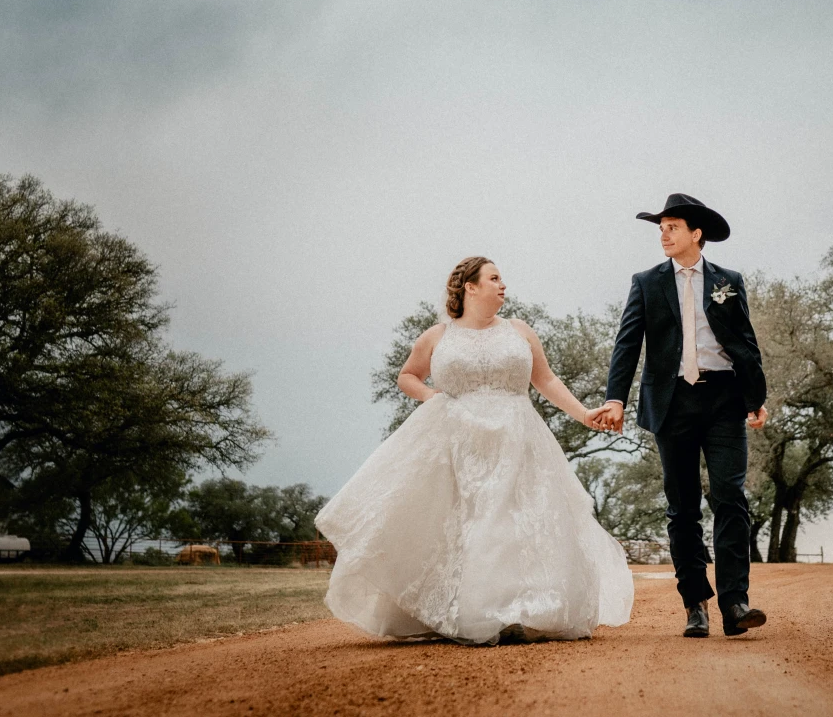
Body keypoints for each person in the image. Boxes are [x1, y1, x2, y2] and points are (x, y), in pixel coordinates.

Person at [315, 257, 634, 645]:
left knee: (511, 520)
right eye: (495, 278)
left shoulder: (520, 331)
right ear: (470, 286)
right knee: (462, 521)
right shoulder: (436, 336)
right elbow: (407, 375)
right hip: (457, 438)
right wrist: (433, 398)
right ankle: (458, 611)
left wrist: (585, 415)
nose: (504, 285)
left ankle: (513, 609)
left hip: (517, 435)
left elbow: (545, 379)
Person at [597, 194, 769, 638]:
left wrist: (755, 397)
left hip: (725, 400)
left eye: (672, 226)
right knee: (683, 508)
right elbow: (627, 344)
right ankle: (695, 604)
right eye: (661, 227)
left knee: (730, 497)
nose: (663, 234)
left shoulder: (729, 280)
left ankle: (735, 603)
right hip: (672, 403)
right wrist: (615, 397)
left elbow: (745, 342)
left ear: (696, 234)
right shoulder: (646, 282)